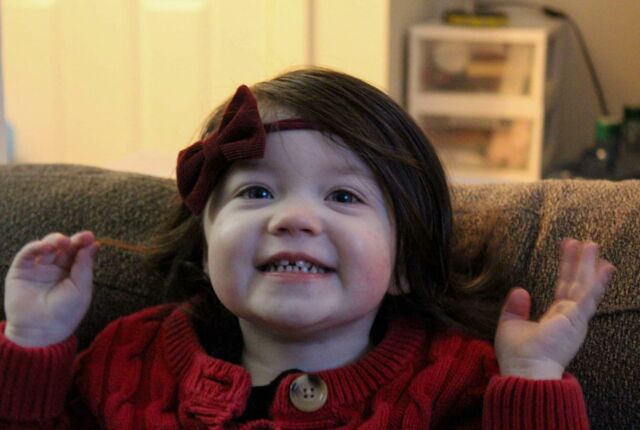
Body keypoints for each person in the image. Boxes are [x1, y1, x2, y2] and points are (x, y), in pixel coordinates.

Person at [0, 68, 614, 429]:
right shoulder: (126, 358)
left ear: (404, 263)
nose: (294, 217)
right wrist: (33, 342)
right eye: (257, 192)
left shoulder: (455, 380)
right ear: (205, 245)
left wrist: (533, 377)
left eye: (343, 196)